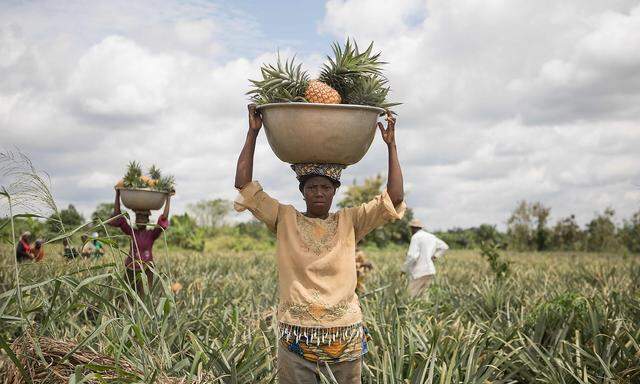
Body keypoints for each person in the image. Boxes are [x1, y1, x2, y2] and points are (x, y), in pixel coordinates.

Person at [234, 104, 405, 384]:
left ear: (334, 192)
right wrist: (253, 133)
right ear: (302, 192)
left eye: (325, 188)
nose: (318, 193)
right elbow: (244, 185)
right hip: (296, 336)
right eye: (312, 187)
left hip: (344, 335)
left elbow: (394, 198)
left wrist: (391, 146)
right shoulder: (284, 218)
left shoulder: (351, 220)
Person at [108, 189, 170, 296]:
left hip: (147, 269)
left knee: (145, 296)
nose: (140, 220)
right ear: (135, 219)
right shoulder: (131, 232)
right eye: (138, 217)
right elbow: (117, 216)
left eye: (143, 217)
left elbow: (164, 218)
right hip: (131, 268)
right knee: (128, 294)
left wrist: (168, 197)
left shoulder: (152, 234)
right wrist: (118, 194)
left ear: (147, 220)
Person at [404, 218, 449, 297]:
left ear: (413, 228)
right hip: (430, 271)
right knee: (424, 296)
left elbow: (412, 256)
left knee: (410, 296)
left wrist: (404, 269)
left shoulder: (416, 237)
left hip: (419, 272)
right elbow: (444, 246)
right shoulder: (431, 236)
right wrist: (435, 256)